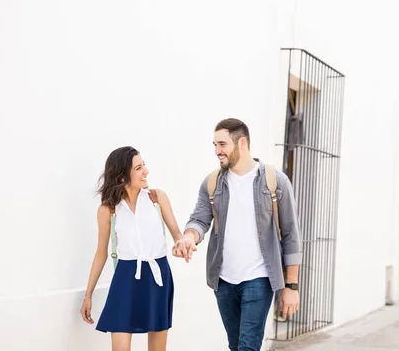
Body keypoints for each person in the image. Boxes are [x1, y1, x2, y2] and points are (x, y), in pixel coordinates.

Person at [172, 118, 302, 351]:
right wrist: (189, 238)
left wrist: (291, 287)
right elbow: (200, 220)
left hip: (260, 278)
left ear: (242, 143)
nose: (216, 151)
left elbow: (291, 234)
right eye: (214, 145)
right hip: (224, 281)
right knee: (236, 346)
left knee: (247, 347)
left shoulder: (275, 181)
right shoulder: (212, 183)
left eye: (222, 144)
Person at [80, 146, 189, 351]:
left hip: (158, 275)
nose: (146, 171)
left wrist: (182, 244)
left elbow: (177, 235)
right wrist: (88, 295)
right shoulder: (108, 210)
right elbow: (101, 253)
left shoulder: (157, 198)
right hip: (126, 276)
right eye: (138, 168)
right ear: (122, 177)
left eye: (143, 165)